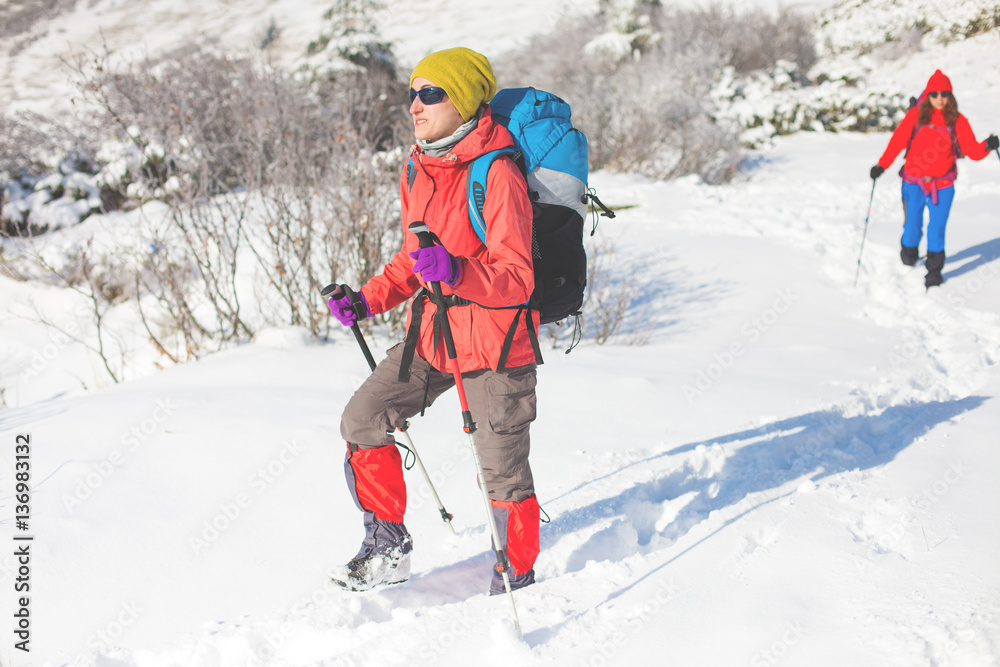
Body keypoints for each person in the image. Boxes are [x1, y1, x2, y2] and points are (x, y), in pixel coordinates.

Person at [327, 47, 541, 595]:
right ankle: (386, 544)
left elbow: (517, 278)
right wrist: (369, 300)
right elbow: (411, 260)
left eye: (430, 94)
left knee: (502, 475)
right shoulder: (418, 166)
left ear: (464, 100)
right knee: (363, 419)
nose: (415, 106)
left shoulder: (497, 172)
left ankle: (515, 575)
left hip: (496, 344)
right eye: (412, 94)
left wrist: (459, 270)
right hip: (434, 334)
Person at [870, 69, 998, 288]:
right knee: (912, 227)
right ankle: (909, 253)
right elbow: (897, 142)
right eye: (935, 93)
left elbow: (972, 151)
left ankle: (934, 271)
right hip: (913, 181)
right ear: (928, 94)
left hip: (943, 184)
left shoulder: (957, 120)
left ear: (951, 96)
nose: (940, 98)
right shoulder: (916, 116)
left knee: (936, 229)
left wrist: (987, 145)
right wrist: (881, 165)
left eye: (945, 93)